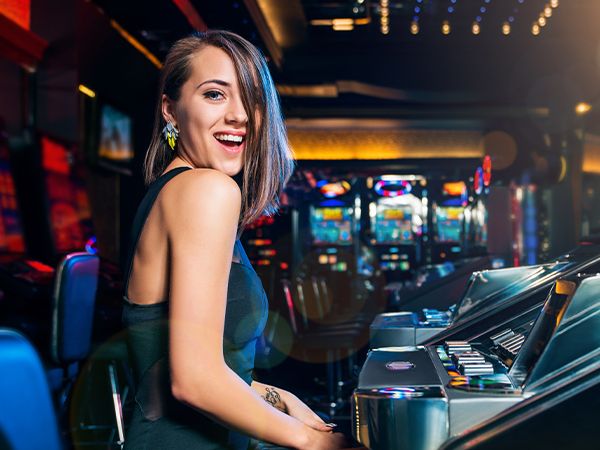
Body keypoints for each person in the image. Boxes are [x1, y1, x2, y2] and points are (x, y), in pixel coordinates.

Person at [122, 30, 348, 450]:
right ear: (170, 110)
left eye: (252, 98)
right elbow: (193, 381)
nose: (240, 115)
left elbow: (192, 365)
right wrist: (314, 444)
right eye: (214, 95)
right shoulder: (207, 190)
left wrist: (281, 397)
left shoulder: (171, 191)